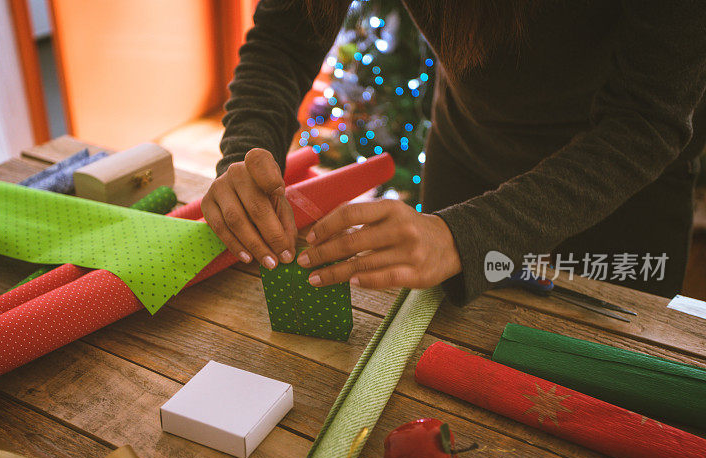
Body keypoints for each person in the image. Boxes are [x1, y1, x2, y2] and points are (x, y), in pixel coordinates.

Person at [201, 0, 706, 303]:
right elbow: (284, 40)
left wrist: (464, 237)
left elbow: (646, 120)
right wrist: (245, 153)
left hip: (626, 186)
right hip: (466, 153)